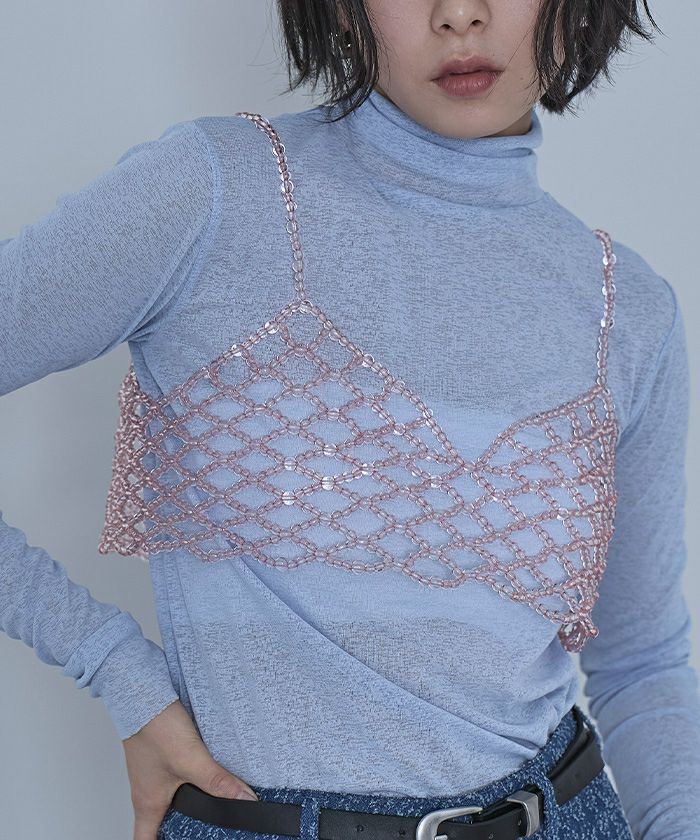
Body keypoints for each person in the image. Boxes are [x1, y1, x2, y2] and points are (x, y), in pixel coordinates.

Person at [1, 1, 699, 839]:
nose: (460, 14)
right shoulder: (215, 193)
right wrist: (113, 668)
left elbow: (643, 662)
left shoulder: (630, 311)